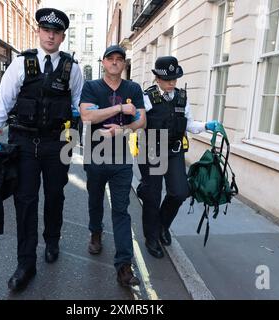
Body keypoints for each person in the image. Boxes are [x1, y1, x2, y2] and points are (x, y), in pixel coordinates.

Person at [0, 8, 83, 292]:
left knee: (55, 196)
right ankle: (25, 264)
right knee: (24, 202)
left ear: (62, 36)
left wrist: (72, 143)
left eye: (56, 32)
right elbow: (2, 103)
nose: (50, 35)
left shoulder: (71, 68)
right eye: (46, 30)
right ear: (39, 32)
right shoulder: (20, 64)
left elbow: (78, 107)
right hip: (24, 144)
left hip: (57, 144)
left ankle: (52, 239)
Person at [137, 56, 220, 258]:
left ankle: (163, 225)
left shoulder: (182, 98)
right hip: (152, 151)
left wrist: (205, 126)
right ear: (157, 78)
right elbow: (137, 123)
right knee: (153, 196)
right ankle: (151, 237)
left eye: (175, 78)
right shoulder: (147, 98)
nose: (172, 82)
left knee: (180, 192)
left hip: (174, 151)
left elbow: (189, 124)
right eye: (168, 79)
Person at [79, 45, 146, 287]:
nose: (115, 62)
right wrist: (119, 108)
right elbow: (87, 116)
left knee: (121, 210)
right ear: (104, 62)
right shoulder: (91, 87)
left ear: (124, 64)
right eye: (110, 59)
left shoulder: (133, 88)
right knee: (95, 200)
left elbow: (142, 120)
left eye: (119, 59)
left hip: (121, 159)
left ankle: (124, 267)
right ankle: (96, 232)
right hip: (95, 154)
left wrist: (123, 128)